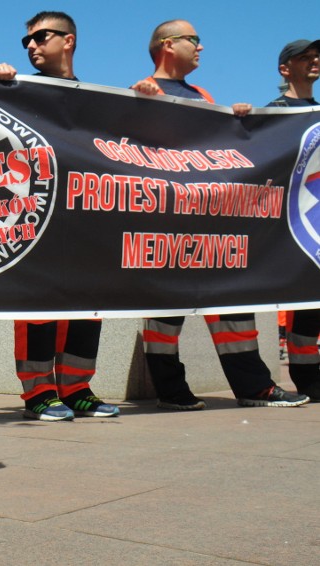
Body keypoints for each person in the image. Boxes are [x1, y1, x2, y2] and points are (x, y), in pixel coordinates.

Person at [131, 20, 308, 410]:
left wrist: (237, 121)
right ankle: (171, 391)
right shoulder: (139, 91)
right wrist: (136, 103)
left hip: (210, 224)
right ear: (167, 45)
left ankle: (254, 387)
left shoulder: (202, 95)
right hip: (165, 226)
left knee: (234, 300)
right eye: (194, 40)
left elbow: (217, 153)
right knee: (164, 314)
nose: (201, 47)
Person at [0, 11, 119, 421]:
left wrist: (147, 100)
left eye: (40, 36)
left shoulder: (97, 100)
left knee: (88, 305)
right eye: (25, 40)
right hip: (37, 216)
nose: (30, 45)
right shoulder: (19, 89)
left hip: (86, 218)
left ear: (69, 41)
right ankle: (40, 392)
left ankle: (77, 388)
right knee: (38, 304)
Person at [268, 39, 320, 401]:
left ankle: (310, 375)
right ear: (285, 68)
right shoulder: (272, 112)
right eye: (305, 57)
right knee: (302, 300)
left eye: (316, 57)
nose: (314, 61)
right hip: (288, 223)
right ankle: (305, 377)